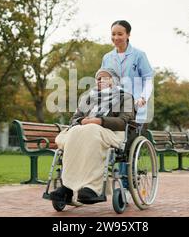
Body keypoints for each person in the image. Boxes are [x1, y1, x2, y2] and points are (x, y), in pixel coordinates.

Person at [50, 68, 135, 204]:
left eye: (105, 77)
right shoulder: (88, 98)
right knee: (74, 131)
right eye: (98, 78)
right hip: (84, 131)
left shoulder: (126, 97)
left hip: (111, 132)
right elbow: (75, 118)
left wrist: (100, 121)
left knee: (92, 131)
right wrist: (81, 121)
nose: (101, 80)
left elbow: (124, 121)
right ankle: (67, 187)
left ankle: (92, 188)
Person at [100, 20, 154, 190]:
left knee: (127, 147)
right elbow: (103, 79)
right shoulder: (107, 57)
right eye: (113, 34)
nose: (116, 37)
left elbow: (148, 79)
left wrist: (143, 97)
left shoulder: (139, 55)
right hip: (114, 108)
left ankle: (125, 183)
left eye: (120, 34)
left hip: (135, 109)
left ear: (128, 35)